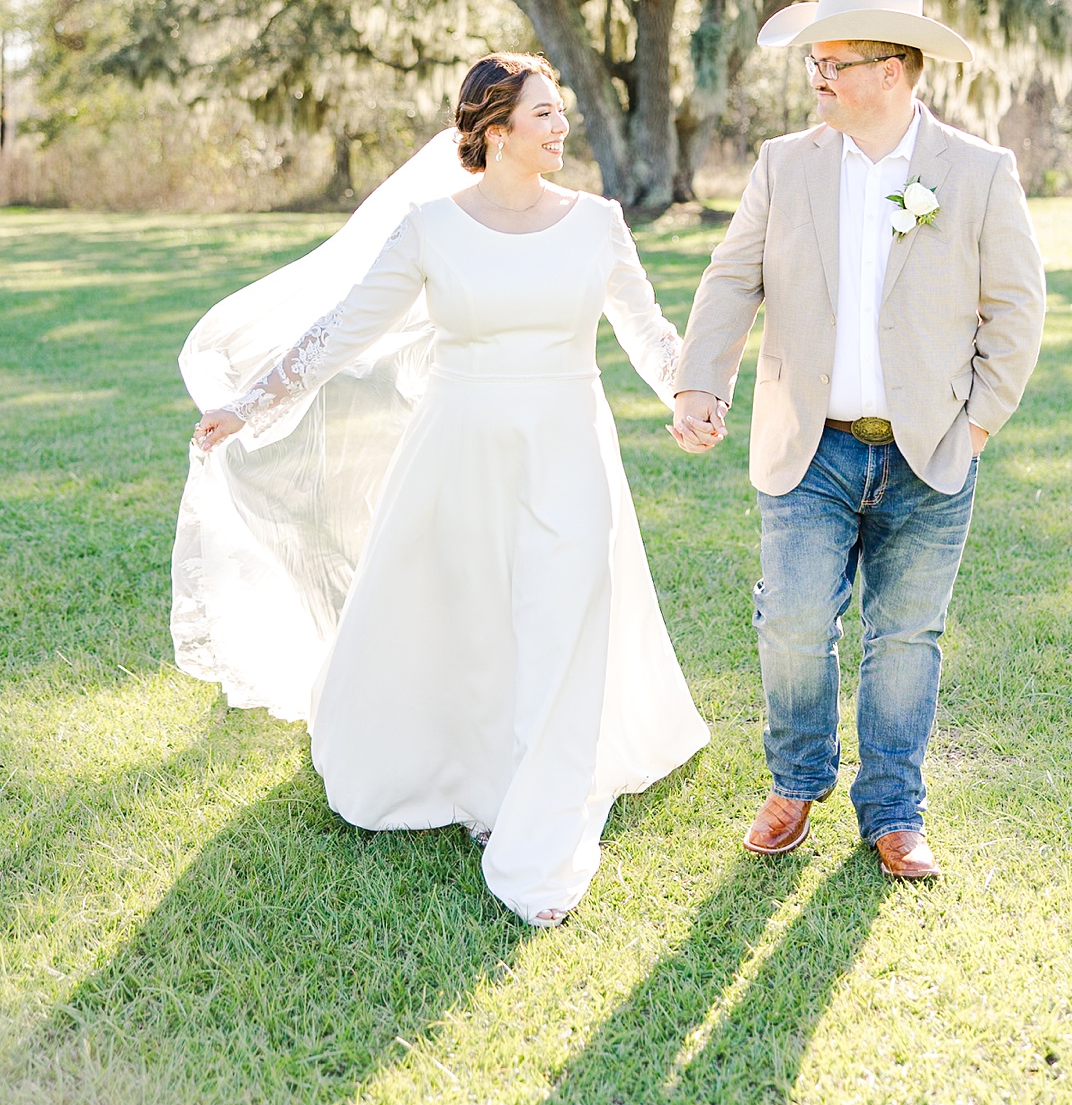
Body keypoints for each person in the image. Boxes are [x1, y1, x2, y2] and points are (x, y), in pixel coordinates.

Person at [184, 52, 708, 925]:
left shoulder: (600, 223)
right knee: (464, 615)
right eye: (544, 113)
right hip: (457, 452)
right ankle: (461, 763)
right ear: (494, 130)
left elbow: (650, 338)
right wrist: (249, 403)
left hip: (570, 450)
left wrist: (693, 397)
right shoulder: (431, 228)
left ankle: (539, 820)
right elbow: (341, 329)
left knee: (562, 615)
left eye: (559, 111)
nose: (561, 125)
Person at [671, 0, 1045, 879]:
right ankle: (797, 781)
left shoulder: (980, 172)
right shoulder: (782, 164)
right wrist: (698, 383)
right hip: (810, 446)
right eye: (815, 62)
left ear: (895, 69)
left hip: (931, 452)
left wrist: (978, 427)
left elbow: (1017, 309)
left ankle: (894, 810)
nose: (817, 78)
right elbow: (731, 278)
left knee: (906, 636)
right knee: (794, 622)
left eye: (833, 62)